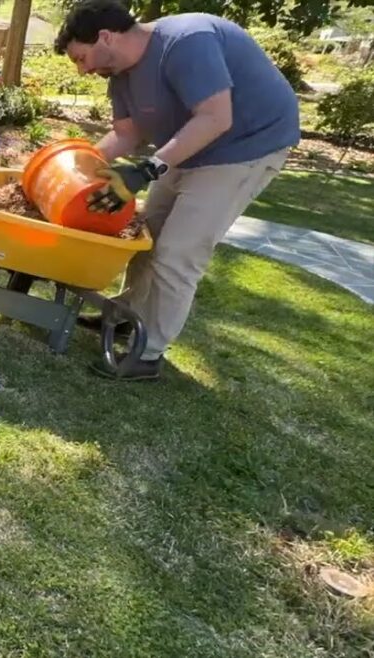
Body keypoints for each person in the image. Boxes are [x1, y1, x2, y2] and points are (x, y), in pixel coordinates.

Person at [53, 0, 300, 381]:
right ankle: (125, 316)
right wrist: (71, 166)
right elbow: (127, 134)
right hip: (190, 146)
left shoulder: (187, 40)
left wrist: (148, 169)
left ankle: (147, 353)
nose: (83, 70)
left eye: (81, 58)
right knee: (145, 237)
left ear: (105, 36)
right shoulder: (119, 73)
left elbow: (217, 117)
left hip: (245, 148)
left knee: (177, 253)